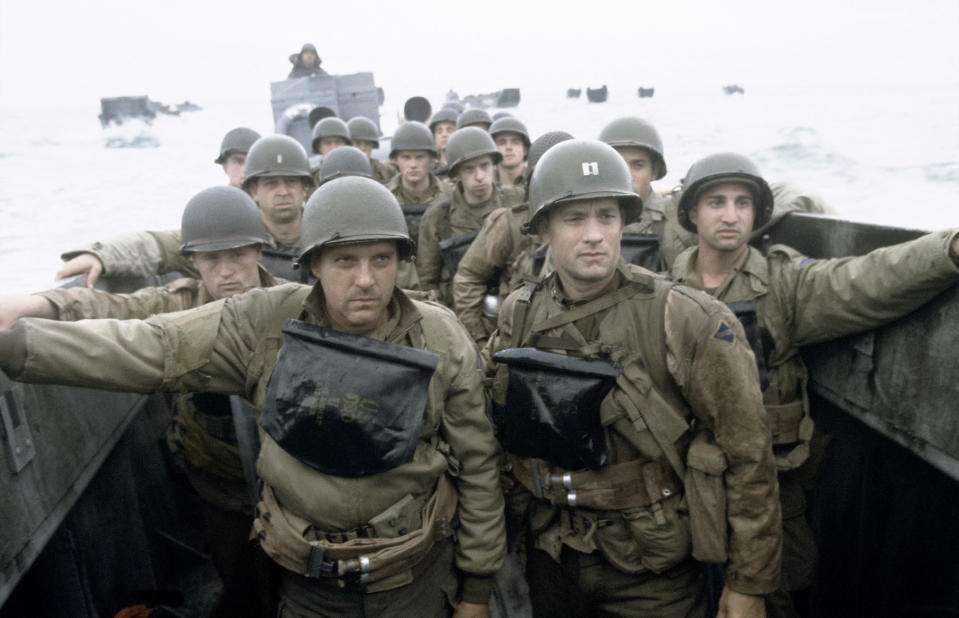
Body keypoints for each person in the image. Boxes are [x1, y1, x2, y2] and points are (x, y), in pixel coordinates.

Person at [0, 177, 507, 617]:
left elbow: (478, 463)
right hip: (310, 584)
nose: (366, 280)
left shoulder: (439, 336)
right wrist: (16, 343)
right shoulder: (262, 323)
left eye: (381, 259)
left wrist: (477, 591)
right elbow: (148, 346)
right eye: (344, 260)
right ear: (312, 265)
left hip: (415, 577)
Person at [486, 139, 782, 617]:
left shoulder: (686, 317)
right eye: (574, 218)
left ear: (625, 220)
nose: (594, 235)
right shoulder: (520, 314)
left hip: (653, 569)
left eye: (606, 216)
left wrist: (749, 583)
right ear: (542, 227)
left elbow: (748, 454)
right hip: (553, 551)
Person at [668, 152, 959, 617]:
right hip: (685, 488)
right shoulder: (662, 292)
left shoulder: (783, 284)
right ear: (690, 214)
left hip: (772, 491)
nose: (730, 215)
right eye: (715, 202)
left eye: (743, 203)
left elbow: (870, 279)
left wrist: (947, 249)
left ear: (757, 215)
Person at [0, 186, 279, 617]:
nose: (226, 272)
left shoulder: (289, 307)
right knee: (240, 584)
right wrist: (38, 303)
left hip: (283, 489)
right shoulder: (180, 303)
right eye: (211, 260)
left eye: (238, 256)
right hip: (218, 488)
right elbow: (112, 309)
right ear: (192, 262)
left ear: (259, 252)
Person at [452, 130, 573, 344]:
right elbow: (468, 277)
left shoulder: (600, 225)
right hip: (518, 336)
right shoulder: (510, 223)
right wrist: (478, 340)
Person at [416, 127, 523, 307]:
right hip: (458, 309)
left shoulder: (517, 201)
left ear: (494, 165)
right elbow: (427, 281)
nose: (479, 176)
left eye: (485, 166)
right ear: (457, 173)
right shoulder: (437, 216)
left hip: (512, 306)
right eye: (469, 169)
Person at [384, 121, 453, 245]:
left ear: (431, 158)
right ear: (396, 159)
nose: (413, 165)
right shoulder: (383, 197)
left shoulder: (450, 194)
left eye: (420, 157)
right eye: (406, 157)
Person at [347, 116, 397, 182]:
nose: (363, 148)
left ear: (372, 146)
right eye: (357, 144)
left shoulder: (384, 171)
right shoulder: (340, 171)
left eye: (367, 144)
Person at [489, 116, 530, 189]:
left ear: (525, 150)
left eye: (515, 142)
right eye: (502, 143)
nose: (509, 147)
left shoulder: (536, 179)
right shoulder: (485, 183)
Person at [309, 117, 352, 185]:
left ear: (346, 145)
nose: (333, 148)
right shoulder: (311, 178)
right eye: (327, 143)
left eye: (338, 142)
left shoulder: (357, 171)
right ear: (319, 147)